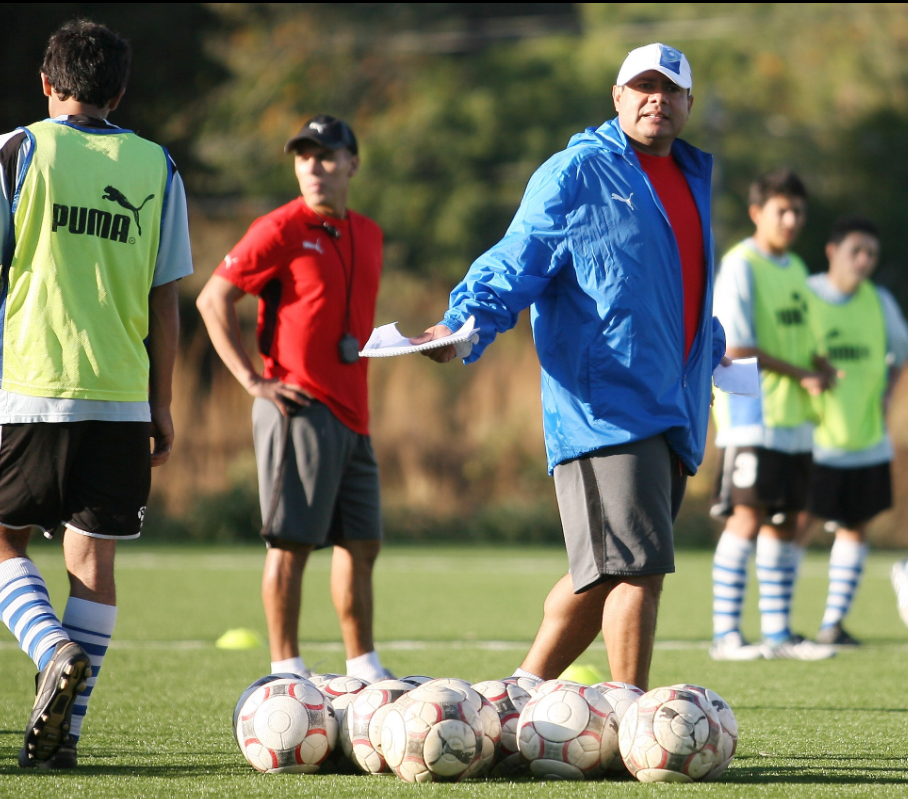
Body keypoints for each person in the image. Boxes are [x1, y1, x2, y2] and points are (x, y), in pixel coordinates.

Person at [412, 43, 725, 691]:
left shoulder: (693, 179)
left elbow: (671, 291)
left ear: (689, 104)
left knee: (608, 568)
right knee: (638, 568)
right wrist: (463, 324)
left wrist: (714, 348)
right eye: (641, 86)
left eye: (669, 89)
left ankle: (515, 693)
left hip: (674, 408)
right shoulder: (578, 172)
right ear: (617, 97)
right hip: (604, 407)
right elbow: (515, 260)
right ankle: (632, 713)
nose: (655, 99)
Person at [0, 20, 191, 768]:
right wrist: (162, 401)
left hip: (29, 386)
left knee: (4, 539)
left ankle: (50, 649)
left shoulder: (20, 151)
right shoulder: (157, 165)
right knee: (93, 565)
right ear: (119, 91)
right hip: (119, 396)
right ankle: (63, 736)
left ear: (48, 84)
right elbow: (166, 299)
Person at [196, 115, 392, 683]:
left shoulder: (370, 233)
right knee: (291, 543)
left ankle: (364, 668)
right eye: (304, 156)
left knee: (362, 543)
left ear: (352, 163)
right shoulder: (279, 227)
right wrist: (253, 381)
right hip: (297, 407)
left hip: (355, 413)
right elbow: (214, 300)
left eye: (326, 156)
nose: (313, 166)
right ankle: (287, 670)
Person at [709, 169, 837, 661]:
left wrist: (820, 365)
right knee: (747, 516)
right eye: (781, 210)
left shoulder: (798, 270)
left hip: (794, 420)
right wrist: (801, 373)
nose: (790, 219)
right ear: (757, 213)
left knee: (787, 521)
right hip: (751, 414)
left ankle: (779, 635)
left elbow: (804, 341)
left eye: (798, 211)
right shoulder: (741, 264)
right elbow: (736, 344)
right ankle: (727, 636)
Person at [797, 217, 908, 645]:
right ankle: (779, 626)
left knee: (855, 526)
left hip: (865, 438)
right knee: (796, 525)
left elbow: (899, 353)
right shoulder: (806, 296)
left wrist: (884, 396)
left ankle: (832, 623)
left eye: (871, 255)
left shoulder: (879, 301)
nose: (864, 261)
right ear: (832, 251)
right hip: (813, 437)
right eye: (855, 252)